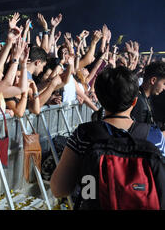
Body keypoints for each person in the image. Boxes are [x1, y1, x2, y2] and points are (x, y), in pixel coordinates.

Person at [50, 66, 165, 203]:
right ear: (134, 101)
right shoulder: (154, 137)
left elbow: (59, 189)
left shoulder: (84, 135)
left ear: (100, 99)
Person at [131, 61, 165, 131]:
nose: (164, 88)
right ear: (153, 80)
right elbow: (138, 134)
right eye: (164, 83)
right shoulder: (138, 102)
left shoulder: (147, 97)